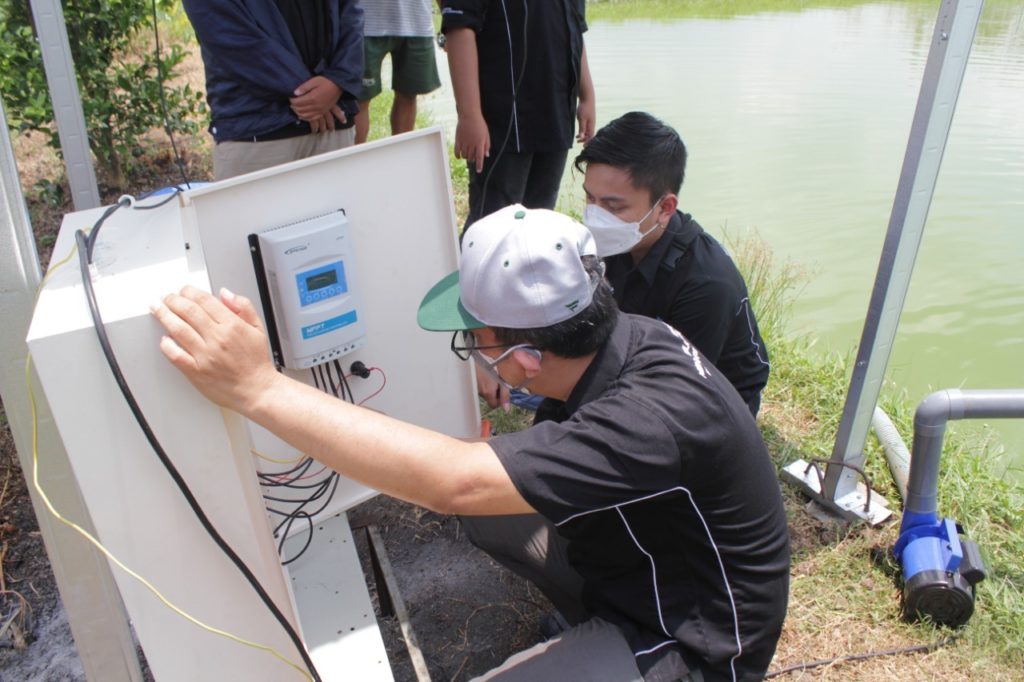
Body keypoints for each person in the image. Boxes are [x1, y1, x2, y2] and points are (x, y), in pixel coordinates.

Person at [152, 205, 790, 681]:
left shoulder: (650, 416)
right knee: (492, 519)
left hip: (699, 635)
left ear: (524, 357)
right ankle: (592, 624)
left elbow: (450, 480)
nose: (475, 355)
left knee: (474, 499)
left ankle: (621, 650)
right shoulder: (625, 337)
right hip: (652, 559)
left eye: (476, 339)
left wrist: (257, 388)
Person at [575, 112, 771, 417]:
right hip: (636, 361)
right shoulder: (616, 242)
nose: (596, 218)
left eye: (613, 206)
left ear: (665, 208)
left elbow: (682, 391)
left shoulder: (706, 284)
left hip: (713, 394)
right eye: (590, 199)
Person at [440, 0, 596, 228]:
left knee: (540, 220)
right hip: (503, 125)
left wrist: (587, 96)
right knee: (493, 224)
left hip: (556, 115)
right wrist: (469, 115)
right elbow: (459, 28)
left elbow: (575, 30)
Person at [182, 0, 365, 180]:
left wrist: (339, 79)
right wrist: (308, 93)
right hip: (258, 129)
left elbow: (351, 12)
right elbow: (223, 28)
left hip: (332, 127)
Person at [353, 0, 442, 144]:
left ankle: (400, 159)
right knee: (358, 100)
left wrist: (451, 21)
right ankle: (353, 162)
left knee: (408, 95)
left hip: (416, 20)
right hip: (366, 20)